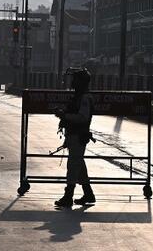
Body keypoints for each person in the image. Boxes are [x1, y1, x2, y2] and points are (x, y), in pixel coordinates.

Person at [54, 68, 95, 208]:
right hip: (73, 135)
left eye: (76, 80)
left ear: (81, 82)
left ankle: (68, 196)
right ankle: (88, 193)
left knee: (73, 166)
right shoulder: (78, 96)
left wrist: (65, 116)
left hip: (79, 135)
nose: (73, 82)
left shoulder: (85, 98)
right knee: (79, 165)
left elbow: (83, 118)